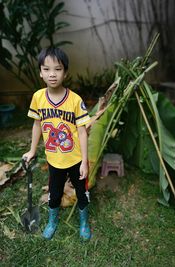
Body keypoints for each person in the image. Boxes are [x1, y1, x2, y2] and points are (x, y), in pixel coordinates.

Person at [22, 47, 91, 240]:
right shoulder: (38, 97)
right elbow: (37, 124)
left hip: (76, 158)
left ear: (65, 72)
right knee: (54, 194)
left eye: (58, 69)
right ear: (40, 73)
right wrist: (32, 150)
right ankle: (53, 221)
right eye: (47, 69)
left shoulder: (75, 100)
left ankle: (84, 223)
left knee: (82, 192)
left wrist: (85, 161)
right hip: (54, 160)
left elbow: (82, 132)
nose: (52, 74)